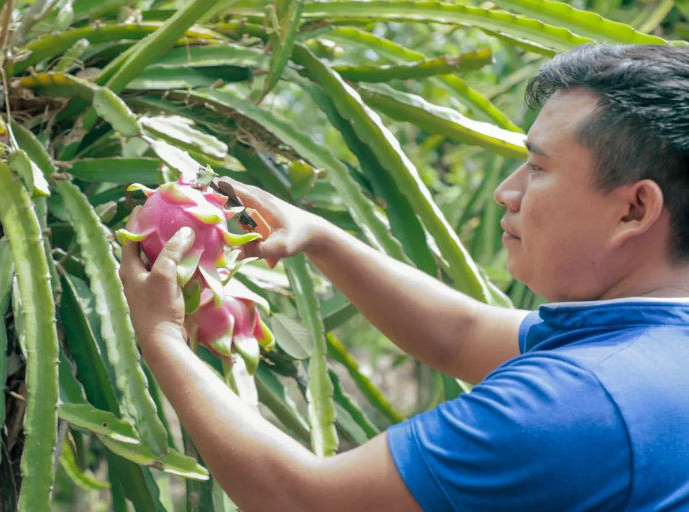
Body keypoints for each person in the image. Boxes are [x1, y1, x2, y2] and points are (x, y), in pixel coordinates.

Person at [118, 43, 689, 512]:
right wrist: (319, 235)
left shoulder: (578, 400)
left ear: (634, 210)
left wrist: (163, 338)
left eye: (538, 168)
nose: (507, 190)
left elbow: (303, 500)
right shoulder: (647, 348)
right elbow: (461, 333)